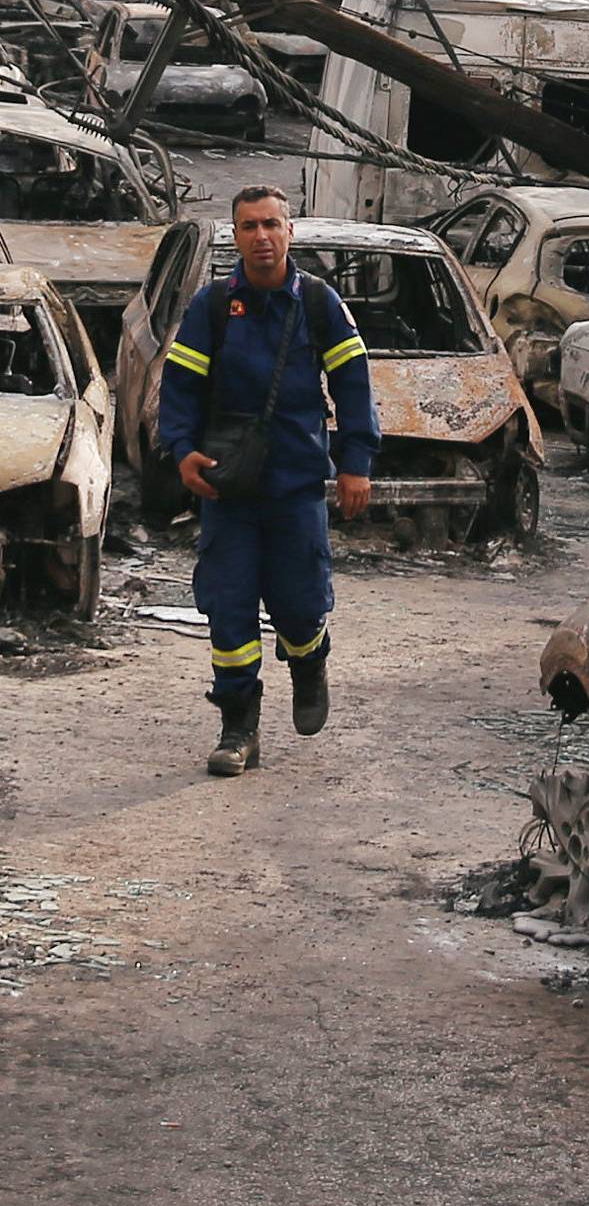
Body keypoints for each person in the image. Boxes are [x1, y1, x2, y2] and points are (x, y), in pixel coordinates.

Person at [158, 185, 380, 776]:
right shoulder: (210, 308)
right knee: (229, 614)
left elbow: (354, 385)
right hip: (228, 490)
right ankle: (239, 730)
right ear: (235, 235)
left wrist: (356, 463)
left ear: (289, 232)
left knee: (300, 606)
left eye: (271, 225)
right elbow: (177, 391)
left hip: (296, 489)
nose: (261, 236)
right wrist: (181, 452)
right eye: (250, 226)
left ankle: (309, 663)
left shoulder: (319, 304)